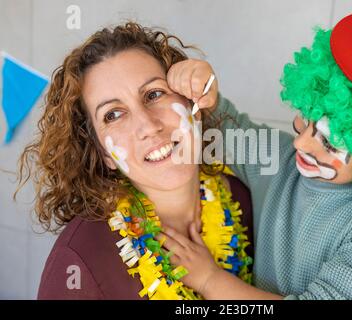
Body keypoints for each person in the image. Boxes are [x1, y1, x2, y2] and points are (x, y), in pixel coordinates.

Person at [159, 0, 352, 299]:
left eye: (328, 141)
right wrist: (202, 87)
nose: (300, 142)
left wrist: (209, 281)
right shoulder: (283, 161)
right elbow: (225, 128)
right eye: (305, 118)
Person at [15, 22, 253, 300]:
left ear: (192, 105)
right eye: (113, 114)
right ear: (104, 152)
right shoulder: (78, 263)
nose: (148, 126)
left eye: (154, 94)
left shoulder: (244, 201)